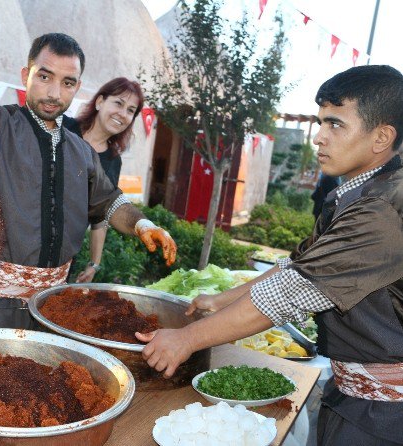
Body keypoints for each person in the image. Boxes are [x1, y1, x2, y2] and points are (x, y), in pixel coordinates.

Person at [136, 65, 403, 445]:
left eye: (336, 125)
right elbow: (294, 266)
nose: (320, 138)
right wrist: (221, 299)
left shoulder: (381, 211)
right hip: (355, 396)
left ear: (382, 137)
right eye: (320, 123)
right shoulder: (355, 195)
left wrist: (186, 339)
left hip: (384, 415)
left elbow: (289, 293)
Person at [0, 11, 176, 330]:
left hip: (54, 307)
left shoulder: (81, 151)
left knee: (43, 379)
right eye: (44, 77)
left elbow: (109, 202)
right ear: (25, 76)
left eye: (67, 82)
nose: (54, 93)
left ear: (78, 88)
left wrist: (143, 224)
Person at [73, 77, 144, 283]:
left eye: (131, 110)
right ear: (99, 102)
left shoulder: (113, 161)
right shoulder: (65, 130)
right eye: (118, 103)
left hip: (65, 253)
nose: (123, 114)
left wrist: (94, 263)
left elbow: (101, 213)